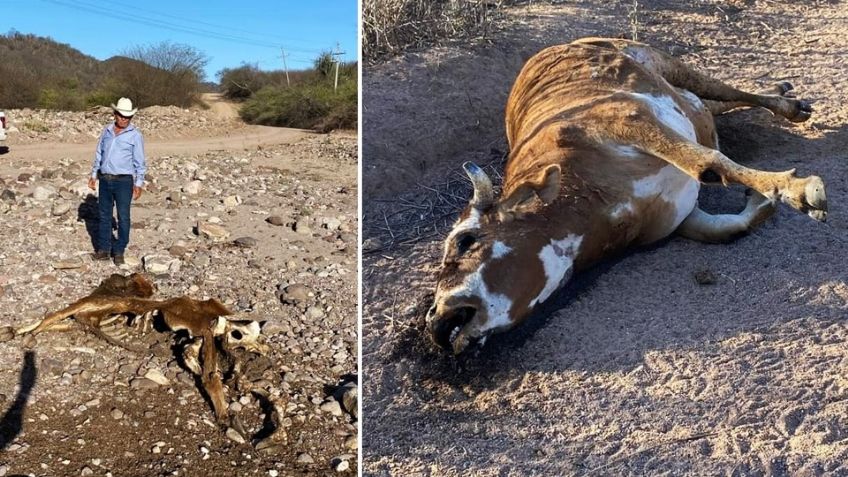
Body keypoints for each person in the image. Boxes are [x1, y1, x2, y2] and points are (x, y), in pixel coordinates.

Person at [88, 97, 146, 266]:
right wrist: (93, 174)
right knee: (104, 216)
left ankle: (119, 250)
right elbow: (99, 153)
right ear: (115, 114)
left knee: (124, 217)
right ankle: (104, 250)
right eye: (121, 115)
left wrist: (139, 184)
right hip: (105, 179)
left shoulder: (135, 135)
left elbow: (140, 162)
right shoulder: (106, 131)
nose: (124, 119)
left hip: (124, 181)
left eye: (127, 117)